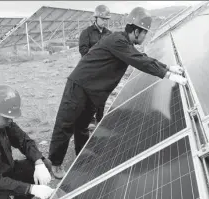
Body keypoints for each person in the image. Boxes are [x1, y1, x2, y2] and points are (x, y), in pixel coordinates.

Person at [48, 7, 187, 179]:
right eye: (145, 33)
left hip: (95, 90)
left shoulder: (124, 43)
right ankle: (55, 163)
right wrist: (167, 75)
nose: (145, 37)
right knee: (66, 124)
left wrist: (168, 67)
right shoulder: (117, 41)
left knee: (83, 125)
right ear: (136, 31)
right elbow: (139, 61)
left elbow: (141, 57)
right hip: (80, 85)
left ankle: (81, 158)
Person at [79, 4, 113, 128]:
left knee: (102, 95)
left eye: (106, 19)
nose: (105, 21)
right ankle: (90, 119)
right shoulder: (86, 33)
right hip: (90, 70)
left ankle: (100, 118)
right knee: (89, 96)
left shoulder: (109, 34)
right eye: (103, 19)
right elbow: (83, 50)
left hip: (104, 70)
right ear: (96, 18)